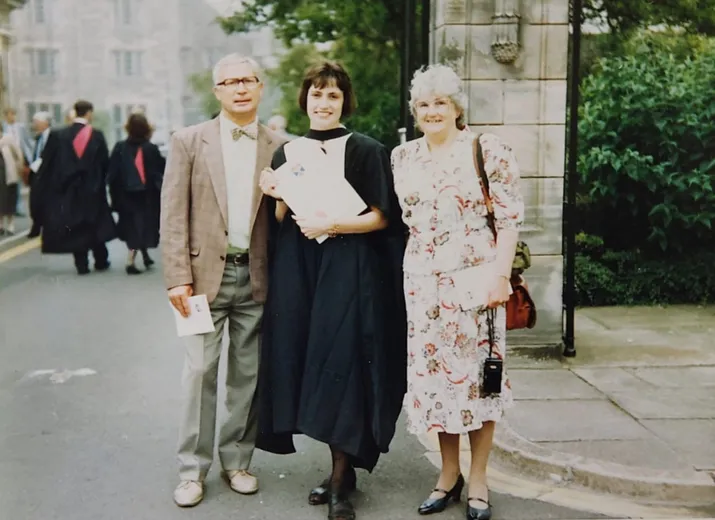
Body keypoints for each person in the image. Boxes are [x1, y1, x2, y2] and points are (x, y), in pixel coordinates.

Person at [256, 60, 407, 520]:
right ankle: (340, 469)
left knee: (342, 360)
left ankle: (342, 479)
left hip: (350, 266)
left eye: (333, 95)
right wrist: (276, 193)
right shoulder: (287, 152)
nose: (324, 103)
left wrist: (334, 223)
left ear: (345, 101)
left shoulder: (365, 150)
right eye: (317, 94)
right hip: (302, 270)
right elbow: (281, 223)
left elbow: (383, 216)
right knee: (311, 360)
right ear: (305, 99)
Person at [390, 64, 524, 520]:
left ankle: (480, 477)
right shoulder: (402, 157)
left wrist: (500, 277)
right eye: (424, 104)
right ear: (415, 111)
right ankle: (448, 474)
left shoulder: (486, 149)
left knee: (477, 383)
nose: (432, 111)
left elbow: (509, 220)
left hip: (477, 287)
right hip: (423, 288)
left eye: (440, 102)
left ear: (456, 107)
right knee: (436, 383)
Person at [160, 53, 286, 508]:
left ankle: (238, 461)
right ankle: (192, 471)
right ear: (217, 92)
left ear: (259, 86)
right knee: (199, 372)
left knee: (246, 375)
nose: (239, 88)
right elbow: (173, 213)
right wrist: (177, 277)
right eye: (229, 82)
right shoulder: (188, 141)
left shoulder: (280, 145)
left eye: (247, 80)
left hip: (255, 277)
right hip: (199, 283)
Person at [32, 100, 116, 274]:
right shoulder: (97, 135)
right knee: (94, 224)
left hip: (68, 190)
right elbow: (105, 164)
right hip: (92, 190)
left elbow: (47, 164)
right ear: (89, 113)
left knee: (76, 227)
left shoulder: (58, 136)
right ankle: (101, 260)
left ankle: (81, 264)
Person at [108, 113, 165, 274]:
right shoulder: (150, 148)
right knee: (143, 227)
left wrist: (114, 198)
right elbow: (161, 170)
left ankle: (144, 256)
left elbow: (112, 175)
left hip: (125, 196)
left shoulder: (120, 147)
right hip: (147, 197)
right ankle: (130, 261)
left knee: (133, 227)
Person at [0, 128, 25, 235]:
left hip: (9, 175)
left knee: (9, 200)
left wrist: (19, 169)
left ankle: (10, 225)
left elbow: (18, 154)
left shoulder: (8, 139)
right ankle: (0, 225)